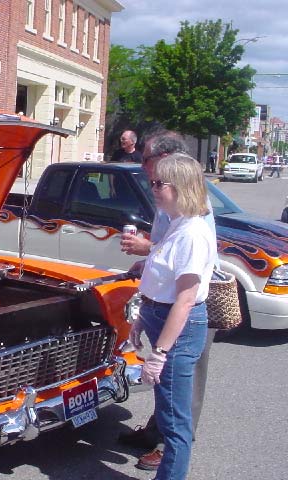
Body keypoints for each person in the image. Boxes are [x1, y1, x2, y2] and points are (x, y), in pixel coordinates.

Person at [119, 131, 218, 474]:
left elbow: (185, 299)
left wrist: (160, 353)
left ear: (180, 188)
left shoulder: (192, 232)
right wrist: (141, 320)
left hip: (179, 329)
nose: (153, 187)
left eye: (160, 183)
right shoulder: (176, 224)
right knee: (167, 410)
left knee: (176, 424)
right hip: (161, 319)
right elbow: (160, 281)